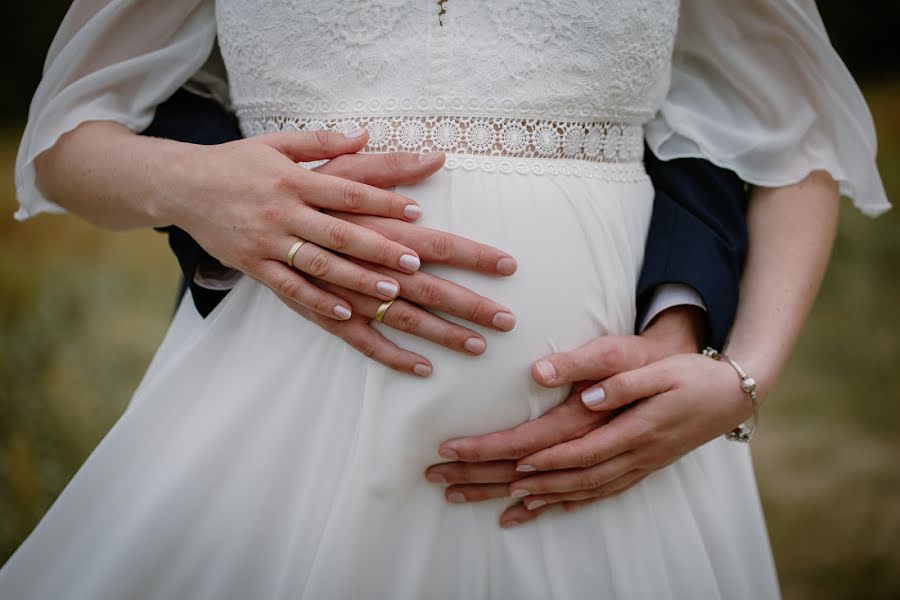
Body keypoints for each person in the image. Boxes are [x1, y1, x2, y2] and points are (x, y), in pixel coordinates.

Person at [1, 1, 889, 599]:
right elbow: (67, 140)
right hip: (282, 415)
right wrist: (196, 186)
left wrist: (743, 378)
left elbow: (795, 139)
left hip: (609, 456)